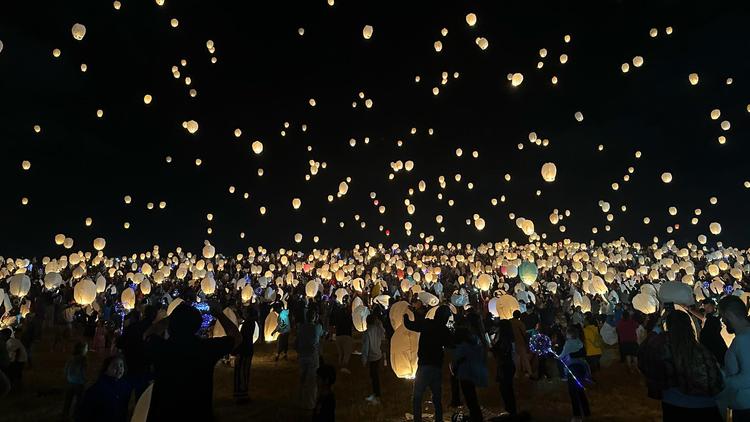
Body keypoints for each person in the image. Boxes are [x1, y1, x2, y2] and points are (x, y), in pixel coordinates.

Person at [145, 301, 241, 421]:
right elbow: (236, 338)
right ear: (197, 326)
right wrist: (219, 314)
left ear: (171, 325)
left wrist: (170, 318)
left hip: (164, 413)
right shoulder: (206, 349)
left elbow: (148, 334)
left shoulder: (161, 347)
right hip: (197, 412)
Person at [641, 310, 724, 421]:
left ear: (668, 327)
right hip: (706, 406)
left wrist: (657, 327)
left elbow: (645, 351)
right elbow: (716, 379)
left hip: (675, 404)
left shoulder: (664, 348)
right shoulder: (701, 350)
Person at [404, 304, 452, 422]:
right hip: (436, 366)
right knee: (436, 397)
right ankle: (439, 419)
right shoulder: (444, 330)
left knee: (417, 396)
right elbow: (451, 344)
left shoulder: (428, 325)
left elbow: (411, 325)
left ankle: (417, 419)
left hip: (424, 365)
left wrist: (405, 317)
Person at [717, 295, 750, 421]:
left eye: (723, 316)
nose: (723, 321)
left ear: (729, 314)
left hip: (746, 408)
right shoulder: (744, 337)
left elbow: (748, 378)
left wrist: (721, 377)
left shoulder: (744, 339)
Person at [452, 313, 488, 422]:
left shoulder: (463, 344)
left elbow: (458, 357)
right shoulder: (476, 339)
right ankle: (476, 416)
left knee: (470, 397)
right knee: (471, 397)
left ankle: (476, 417)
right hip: (473, 372)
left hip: (465, 373)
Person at [116, 305, 157, 399]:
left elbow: (120, 343)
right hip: (144, 370)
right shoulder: (156, 332)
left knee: (124, 397)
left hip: (128, 365)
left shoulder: (133, 327)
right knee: (140, 398)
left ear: (143, 314)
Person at [77, 355, 132, 422]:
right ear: (106, 369)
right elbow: (85, 412)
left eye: (121, 365)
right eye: (114, 365)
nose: (119, 368)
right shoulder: (97, 388)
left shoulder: (126, 386)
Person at [559, 325, 591, 422]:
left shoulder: (568, 343)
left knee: (573, 393)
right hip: (581, 368)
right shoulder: (579, 341)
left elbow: (562, 355)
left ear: (569, 335)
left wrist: (556, 356)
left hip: (572, 369)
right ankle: (586, 412)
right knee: (580, 390)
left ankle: (577, 416)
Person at [297, 307, 325, 410]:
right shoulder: (317, 327)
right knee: (312, 382)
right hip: (313, 356)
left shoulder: (301, 327)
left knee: (302, 379)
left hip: (302, 355)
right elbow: (323, 334)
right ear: (314, 317)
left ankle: (299, 399)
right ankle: (311, 404)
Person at [491, 319, 518, 417]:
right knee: (507, 389)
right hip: (507, 365)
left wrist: (493, 347)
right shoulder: (507, 338)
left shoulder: (504, 339)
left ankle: (510, 411)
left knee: (505, 389)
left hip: (505, 366)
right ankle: (510, 410)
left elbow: (500, 353)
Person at [234, 306, 257, 404]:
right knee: (245, 371)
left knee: (242, 371)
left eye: (245, 311)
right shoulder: (250, 322)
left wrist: (237, 349)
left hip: (244, 349)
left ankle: (241, 394)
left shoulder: (248, 323)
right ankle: (243, 392)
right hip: (248, 348)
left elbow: (243, 337)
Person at [361, 313, 385, 405]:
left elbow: (365, 347)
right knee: (375, 376)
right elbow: (383, 334)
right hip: (378, 355)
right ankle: (376, 393)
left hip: (371, 357)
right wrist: (380, 324)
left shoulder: (367, 333)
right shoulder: (377, 330)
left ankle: (376, 394)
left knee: (374, 377)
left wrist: (364, 359)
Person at [698, 299, 727, 367]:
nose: (707, 309)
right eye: (705, 307)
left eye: (709, 307)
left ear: (714, 306)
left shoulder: (715, 317)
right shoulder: (708, 317)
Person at [62, 342, 88, 419]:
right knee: (79, 400)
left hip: (70, 382)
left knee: (68, 400)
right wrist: (85, 380)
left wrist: (67, 377)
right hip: (79, 383)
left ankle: (65, 413)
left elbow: (66, 369)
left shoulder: (71, 357)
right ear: (82, 349)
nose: (87, 349)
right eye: (86, 348)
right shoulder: (84, 359)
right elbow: (83, 371)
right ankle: (75, 414)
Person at [332, 298, 354, 374]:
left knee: (341, 353)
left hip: (338, 336)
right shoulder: (348, 317)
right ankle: (344, 368)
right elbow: (352, 325)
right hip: (346, 335)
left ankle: (340, 367)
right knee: (346, 353)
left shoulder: (338, 318)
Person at [511, 311, 532, 377]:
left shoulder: (509, 322)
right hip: (520, 342)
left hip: (512, 342)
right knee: (524, 358)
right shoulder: (520, 323)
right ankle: (528, 372)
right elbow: (524, 333)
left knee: (516, 358)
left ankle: (516, 373)